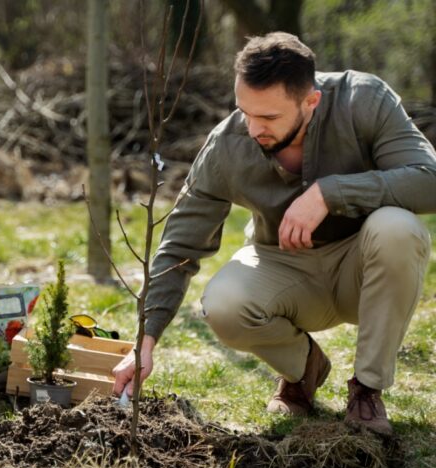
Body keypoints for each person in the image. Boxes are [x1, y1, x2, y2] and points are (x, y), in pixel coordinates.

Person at [112, 32, 436, 436]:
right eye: (245, 111)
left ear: (311, 101)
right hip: (283, 267)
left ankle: (367, 391)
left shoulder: (364, 100)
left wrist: (330, 193)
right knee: (224, 302)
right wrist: (144, 342)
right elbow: (179, 244)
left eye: (268, 118)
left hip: (364, 269)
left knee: (399, 228)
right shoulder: (228, 144)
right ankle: (304, 370)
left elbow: (429, 180)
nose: (252, 128)